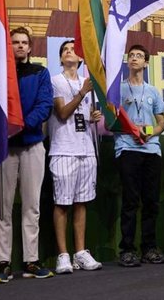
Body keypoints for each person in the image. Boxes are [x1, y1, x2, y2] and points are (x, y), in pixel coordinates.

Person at [0, 27, 55, 283]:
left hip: (31, 146)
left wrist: (20, 124)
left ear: (30, 47)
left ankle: (31, 261)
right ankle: (3, 263)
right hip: (3, 148)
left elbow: (45, 106)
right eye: (14, 42)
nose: (19, 46)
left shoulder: (40, 73)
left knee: (32, 206)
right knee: (3, 208)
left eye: (23, 42)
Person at [48, 40, 105, 274]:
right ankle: (63, 255)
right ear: (61, 58)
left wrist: (93, 116)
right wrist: (82, 94)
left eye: (73, 49)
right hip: (63, 149)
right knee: (62, 203)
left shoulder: (87, 82)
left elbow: (83, 116)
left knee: (81, 202)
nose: (70, 51)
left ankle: (80, 252)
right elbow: (62, 113)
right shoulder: (55, 81)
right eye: (65, 50)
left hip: (86, 149)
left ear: (81, 58)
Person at [115, 45, 164, 267]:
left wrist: (149, 133)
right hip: (127, 148)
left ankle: (149, 248)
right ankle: (127, 249)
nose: (134, 59)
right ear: (128, 62)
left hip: (151, 150)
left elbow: (161, 123)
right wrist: (132, 131)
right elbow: (111, 121)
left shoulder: (153, 91)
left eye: (139, 56)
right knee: (130, 201)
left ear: (146, 63)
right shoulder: (117, 90)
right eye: (132, 56)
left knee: (151, 201)